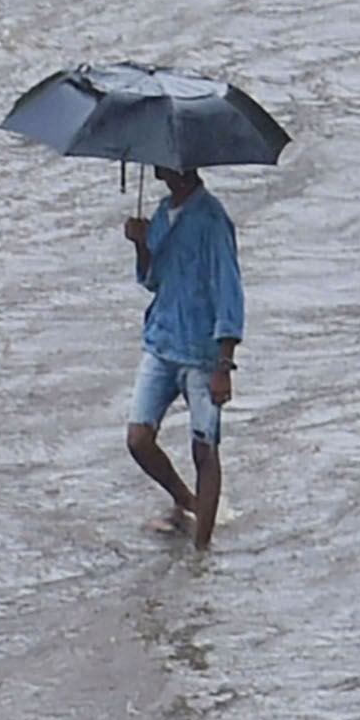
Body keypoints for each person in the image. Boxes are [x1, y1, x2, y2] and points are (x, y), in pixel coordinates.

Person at [124, 163, 242, 544]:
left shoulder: (213, 220)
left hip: (202, 352)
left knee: (204, 448)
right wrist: (141, 244)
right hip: (161, 342)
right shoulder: (162, 212)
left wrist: (224, 364)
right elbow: (153, 278)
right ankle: (186, 500)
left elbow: (229, 292)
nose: (157, 168)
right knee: (138, 439)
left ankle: (201, 550)